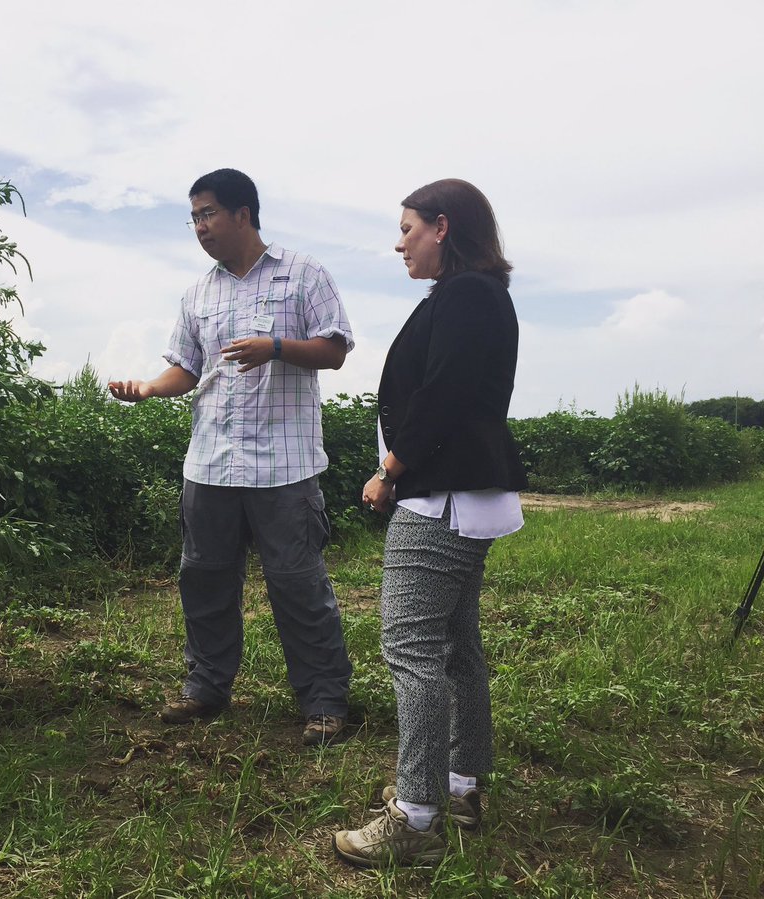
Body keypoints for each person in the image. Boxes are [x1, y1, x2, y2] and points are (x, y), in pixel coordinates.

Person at [108, 168, 354, 747]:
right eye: (194, 217)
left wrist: (275, 347)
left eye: (209, 213)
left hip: (284, 466)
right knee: (204, 578)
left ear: (243, 214)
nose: (200, 227)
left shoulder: (304, 274)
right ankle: (206, 687)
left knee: (297, 582)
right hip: (211, 462)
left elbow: (335, 350)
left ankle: (324, 700)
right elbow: (187, 368)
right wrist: (150, 387)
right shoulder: (199, 292)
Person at [332, 179, 528, 866]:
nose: (399, 241)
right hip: (461, 493)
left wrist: (392, 467)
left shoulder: (468, 295)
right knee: (453, 645)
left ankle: (415, 821)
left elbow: (443, 393)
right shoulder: (473, 295)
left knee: (412, 650)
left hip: (438, 496)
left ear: (442, 227)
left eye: (408, 228)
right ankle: (461, 783)